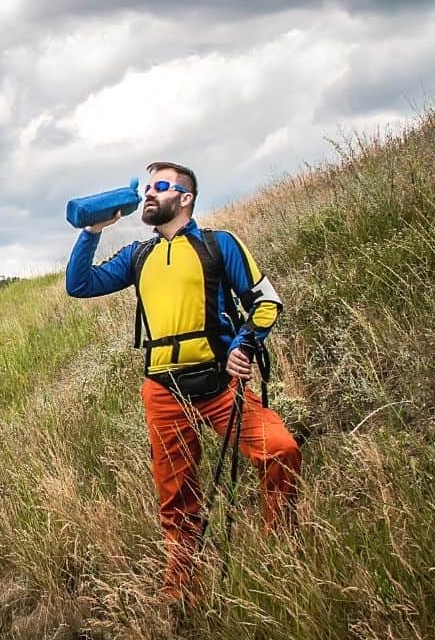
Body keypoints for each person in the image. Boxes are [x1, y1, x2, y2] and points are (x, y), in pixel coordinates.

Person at [65, 161, 301, 602]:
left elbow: (266, 302)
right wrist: (92, 231)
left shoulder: (218, 245)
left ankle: (283, 552)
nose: (148, 193)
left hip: (219, 385)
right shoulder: (138, 256)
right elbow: (80, 285)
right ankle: (180, 588)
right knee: (176, 493)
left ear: (185, 198)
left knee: (281, 450)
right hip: (162, 391)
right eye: (147, 186)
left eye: (160, 186)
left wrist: (245, 345)